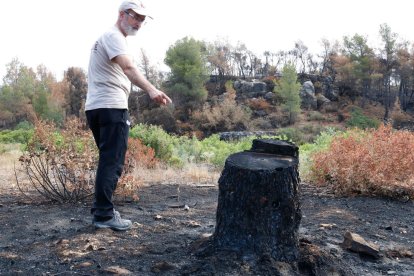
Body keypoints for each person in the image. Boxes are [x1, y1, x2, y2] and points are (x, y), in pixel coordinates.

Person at [85, 0, 172, 231]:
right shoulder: (113, 36)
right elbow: (129, 68)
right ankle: (103, 215)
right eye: (136, 17)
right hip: (111, 107)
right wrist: (152, 90)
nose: (140, 23)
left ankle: (102, 211)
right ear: (122, 14)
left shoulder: (107, 38)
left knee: (107, 161)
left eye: (143, 19)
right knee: (112, 162)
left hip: (96, 107)